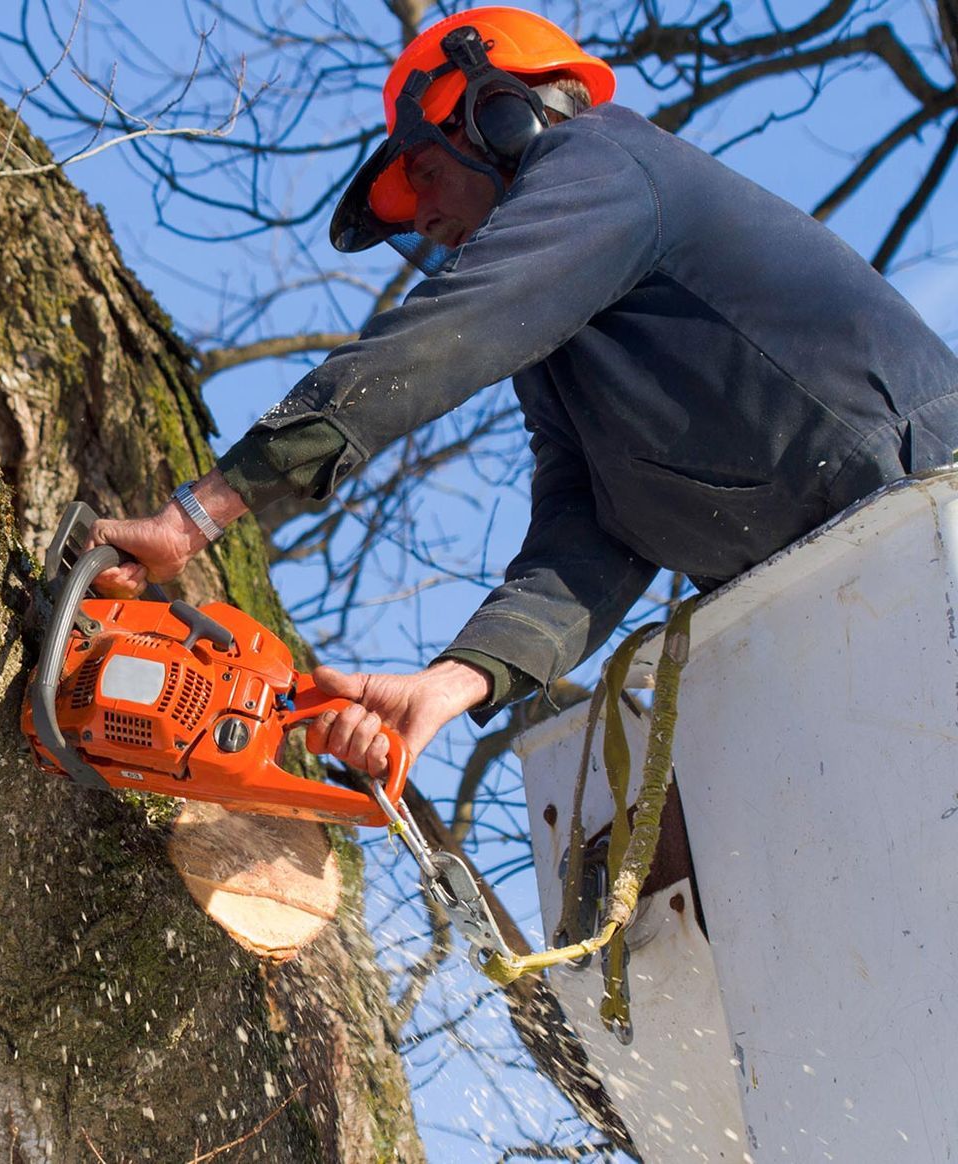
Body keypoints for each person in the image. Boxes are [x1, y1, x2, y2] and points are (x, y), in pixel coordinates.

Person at [91, 6, 958, 775]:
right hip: (837, 596)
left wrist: (197, 514)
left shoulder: (607, 161)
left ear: (498, 115)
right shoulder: (565, 350)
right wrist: (452, 683)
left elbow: (444, 336)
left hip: (925, 505)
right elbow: (590, 536)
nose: (422, 219)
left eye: (423, 174)